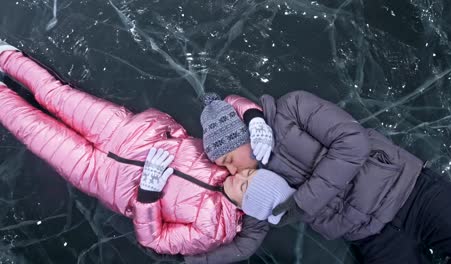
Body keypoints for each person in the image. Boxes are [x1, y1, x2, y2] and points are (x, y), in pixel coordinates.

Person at [0, 41, 295, 263]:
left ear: (246, 208)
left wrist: (149, 193)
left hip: (100, 175)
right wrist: (255, 119)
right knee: (56, 94)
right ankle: (6, 55)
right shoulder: (233, 164)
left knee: (30, 128)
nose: (239, 176)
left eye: (244, 187)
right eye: (249, 175)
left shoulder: (211, 231)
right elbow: (228, 106)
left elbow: (155, 239)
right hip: (127, 131)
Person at [196, 92, 451, 263]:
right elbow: (249, 236)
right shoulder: (256, 184)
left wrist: (303, 201)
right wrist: (191, 259)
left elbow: (353, 143)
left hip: (412, 193)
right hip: (371, 238)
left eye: (228, 160)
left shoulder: (291, 109)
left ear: (242, 137)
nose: (231, 171)